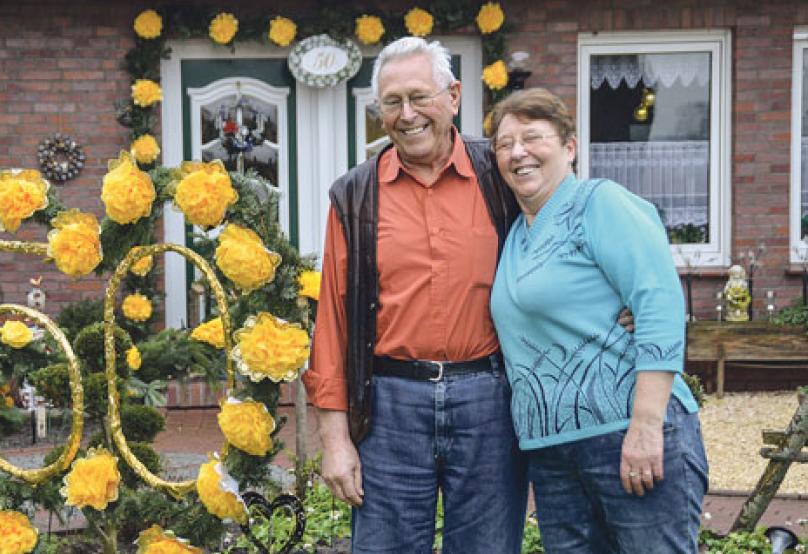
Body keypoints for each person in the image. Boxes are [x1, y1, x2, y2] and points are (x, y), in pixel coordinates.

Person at [302, 36, 527, 553]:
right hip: (389, 405)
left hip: (489, 399)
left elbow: (564, 243)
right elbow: (332, 324)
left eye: (419, 97)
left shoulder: (502, 176)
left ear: (453, 96)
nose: (407, 115)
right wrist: (335, 441)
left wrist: (616, 301)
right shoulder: (355, 195)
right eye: (392, 102)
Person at [488, 88, 708, 554]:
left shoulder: (599, 203)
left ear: (569, 147)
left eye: (532, 137)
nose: (517, 152)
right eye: (504, 144)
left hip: (626, 434)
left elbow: (659, 304)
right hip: (553, 451)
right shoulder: (514, 233)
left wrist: (646, 425)